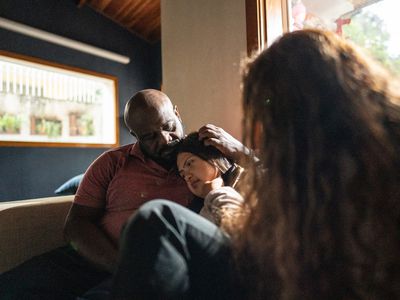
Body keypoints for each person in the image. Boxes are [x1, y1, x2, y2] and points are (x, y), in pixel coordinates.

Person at [110, 29, 400, 300]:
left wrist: (229, 172)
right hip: (284, 268)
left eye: (270, 103)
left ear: (314, 97)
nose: (262, 121)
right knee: (155, 223)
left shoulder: (379, 149)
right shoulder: (298, 161)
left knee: (158, 218)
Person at [0, 89, 250, 300]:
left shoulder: (202, 157)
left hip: (156, 264)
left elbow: (275, 185)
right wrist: (119, 265)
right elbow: (76, 225)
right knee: (12, 286)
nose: (164, 140)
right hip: (96, 257)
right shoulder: (112, 162)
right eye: (150, 137)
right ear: (135, 136)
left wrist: (240, 151)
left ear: (177, 113)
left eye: (169, 127)